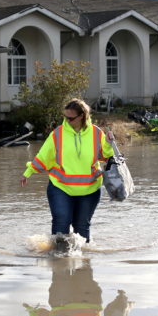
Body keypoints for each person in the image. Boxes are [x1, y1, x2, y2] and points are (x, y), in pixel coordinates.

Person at [20, 98, 114, 249]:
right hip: (60, 187)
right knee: (61, 223)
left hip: (89, 189)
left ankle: (82, 266)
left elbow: (106, 155)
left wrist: (109, 144)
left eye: (71, 118)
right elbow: (44, 155)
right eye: (65, 117)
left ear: (82, 116)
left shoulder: (97, 133)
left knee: (82, 229)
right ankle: (58, 262)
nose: (67, 120)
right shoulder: (58, 134)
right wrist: (28, 171)